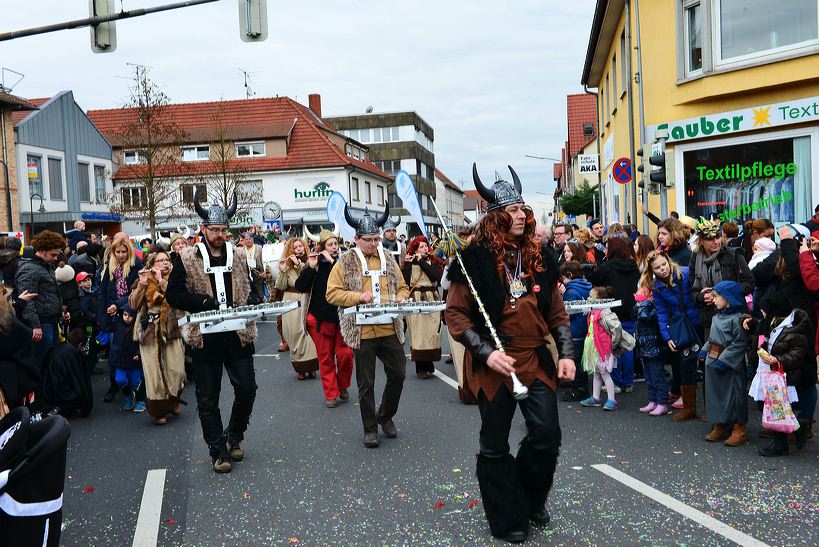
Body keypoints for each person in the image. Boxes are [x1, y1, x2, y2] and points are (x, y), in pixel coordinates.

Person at [445, 164, 575, 543]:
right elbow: (455, 314)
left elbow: (555, 311)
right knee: (495, 443)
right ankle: (507, 516)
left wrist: (566, 352)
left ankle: (530, 498)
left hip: (535, 360)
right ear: (495, 218)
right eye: (513, 211)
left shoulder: (539, 257)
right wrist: (485, 353)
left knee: (546, 435)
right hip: (494, 366)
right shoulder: (472, 262)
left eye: (523, 209)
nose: (521, 215)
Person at [166, 191, 259, 473]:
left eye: (223, 229)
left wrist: (253, 300)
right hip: (205, 335)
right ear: (203, 229)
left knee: (247, 388)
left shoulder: (239, 254)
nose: (219, 234)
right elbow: (174, 294)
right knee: (208, 396)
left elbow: (250, 286)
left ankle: (234, 435)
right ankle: (218, 450)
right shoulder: (185, 257)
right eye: (214, 229)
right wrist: (203, 302)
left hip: (237, 333)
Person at [326, 204, 410, 448]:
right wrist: (357, 297)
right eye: (369, 239)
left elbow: (403, 287)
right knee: (366, 383)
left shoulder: (389, 260)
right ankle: (370, 429)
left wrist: (402, 297)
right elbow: (331, 294)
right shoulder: (345, 261)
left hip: (389, 328)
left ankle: (385, 416)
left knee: (399, 374)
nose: (374, 243)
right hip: (362, 331)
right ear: (357, 238)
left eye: (376, 238)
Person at [689, 218, 755, 422]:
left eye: (718, 236)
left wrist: (725, 294)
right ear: (701, 241)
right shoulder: (695, 259)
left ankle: (737, 422)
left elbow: (749, 283)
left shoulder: (734, 254)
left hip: (733, 317)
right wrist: (702, 297)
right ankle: (715, 414)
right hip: (710, 320)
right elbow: (692, 291)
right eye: (710, 239)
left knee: (733, 367)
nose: (716, 241)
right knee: (711, 365)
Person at [744, 293, 812, 456]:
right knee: (764, 405)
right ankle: (798, 427)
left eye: (764, 311)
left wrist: (777, 358)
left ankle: (781, 443)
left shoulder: (794, 330)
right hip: (766, 372)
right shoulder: (768, 324)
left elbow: (797, 354)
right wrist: (747, 321)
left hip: (781, 375)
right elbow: (758, 331)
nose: (761, 313)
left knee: (777, 408)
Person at [295, 228, 354, 408]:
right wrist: (310, 268)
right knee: (325, 358)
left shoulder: (344, 262)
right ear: (323, 247)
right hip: (320, 318)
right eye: (330, 244)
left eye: (336, 243)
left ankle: (342, 384)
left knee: (346, 355)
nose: (334, 247)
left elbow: (349, 285)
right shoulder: (316, 263)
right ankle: (331, 393)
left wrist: (334, 263)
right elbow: (301, 287)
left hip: (342, 317)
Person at [129, 249, 186, 425]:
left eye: (166, 259)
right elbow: (133, 304)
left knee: (175, 369)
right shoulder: (143, 279)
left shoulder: (177, 279)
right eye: (160, 260)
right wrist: (142, 284)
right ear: (152, 264)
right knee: (154, 373)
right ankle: (158, 411)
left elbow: (179, 300)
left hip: (172, 329)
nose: (165, 262)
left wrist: (162, 281)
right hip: (149, 332)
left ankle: (174, 399)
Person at [643, 250, 701, 420]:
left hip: (698, 322)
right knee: (685, 365)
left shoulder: (684, 273)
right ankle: (689, 407)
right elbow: (661, 314)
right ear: (652, 270)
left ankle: (708, 408)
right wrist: (667, 337)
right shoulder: (657, 287)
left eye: (663, 264)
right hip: (681, 327)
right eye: (657, 267)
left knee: (704, 364)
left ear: (668, 261)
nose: (662, 269)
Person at [586, 237, 640, 391]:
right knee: (627, 344)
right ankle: (628, 382)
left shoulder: (607, 266)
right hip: (630, 307)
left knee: (612, 345)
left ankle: (615, 381)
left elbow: (594, 278)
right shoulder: (634, 265)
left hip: (611, 311)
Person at [700, 281, 749, 446]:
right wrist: (704, 349)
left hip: (728, 365)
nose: (713, 300)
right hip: (713, 361)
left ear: (728, 298)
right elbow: (713, 338)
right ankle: (720, 423)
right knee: (716, 395)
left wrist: (725, 360)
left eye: (716, 296)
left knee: (734, 395)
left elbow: (739, 343)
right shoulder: (716, 317)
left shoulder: (738, 319)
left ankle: (738, 428)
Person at [97, 237, 141, 403]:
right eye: (118, 252)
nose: (121, 255)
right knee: (114, 352)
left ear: (129, 251)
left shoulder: (136, 266)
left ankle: (134, 387)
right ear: (113, 252)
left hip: (131, 312)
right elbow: (102, 292)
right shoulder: (110, 267)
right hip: (113, 314)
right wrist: (102, 317)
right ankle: (115, 385)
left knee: (132, 350)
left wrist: (118, 304)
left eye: (124, 252)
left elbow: (135, 293)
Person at [14, 230, 65, 369]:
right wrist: (35, 325)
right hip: (41, 324)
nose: (56, 258)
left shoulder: (45, 265)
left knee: (50, 362)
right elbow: (27, 301)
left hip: (50, 322)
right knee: (40, 363)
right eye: (53, 254)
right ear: (42, 250)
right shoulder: (30, 269)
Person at [580, 286, 635, 411]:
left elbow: (616, 328)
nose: (588, 298)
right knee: (597, 373)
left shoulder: (605, 312)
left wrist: (612, 344)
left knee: (604, 374)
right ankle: (595, 397)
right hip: (594, 348)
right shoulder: (592, 311)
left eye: (591, 296)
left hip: (602, 349)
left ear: (599, 299)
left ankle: (611, 400)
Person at [275, 236, 319, 380]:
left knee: (305, 333)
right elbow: (281, 286)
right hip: (290, 301)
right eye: (295, 247)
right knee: (293, 334)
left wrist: (299, 264)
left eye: (301, 246)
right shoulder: (286, 264)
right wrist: (282, 270)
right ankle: (300, 368)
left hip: (305, 299)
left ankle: (311, 366)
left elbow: (306, 281)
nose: (298, 249)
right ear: (290, 250)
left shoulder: (310, 261)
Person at [402, 235, 444, 379]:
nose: (425, 248)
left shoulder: (433, 261)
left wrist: (422, 262)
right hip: (417, 298)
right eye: (421, 246)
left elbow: (435, 276)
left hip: (431, 298)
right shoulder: (410, 261)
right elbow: (405, 282)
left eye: (426, 245)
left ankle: (429, 362)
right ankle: (421, 368)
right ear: (415, 249)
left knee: (431, 331)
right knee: (419, 333)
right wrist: (407, 264)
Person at [559, 260, 592, 402]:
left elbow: (567, 312)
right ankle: (576, 384)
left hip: (574, 330)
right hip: (583, 328)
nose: (563, 281)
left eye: (564, 278)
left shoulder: (571, 291)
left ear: (570, 275)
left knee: (576, 361)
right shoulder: (586, 286)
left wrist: (563, 295)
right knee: (579, 360)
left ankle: (579, 389)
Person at [634, 283, 668, 416]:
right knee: (649, 378)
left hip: (655, 349)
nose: (636, 294)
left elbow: (644, 318)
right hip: (644, 349)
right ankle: (652, 401)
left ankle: (662, 403)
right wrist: (641, 305)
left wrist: (645, 304)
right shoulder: (640, 307)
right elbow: (634, 314)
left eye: (640, 292)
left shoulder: (653, 309)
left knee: (657, 377)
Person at [109, 304, 145, 412]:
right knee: (120, 380)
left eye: (130, 315)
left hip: (134, 362)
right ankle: (128, 395)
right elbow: (105, 325)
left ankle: (140, 401)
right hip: (120, 361)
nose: (127, 317)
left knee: (136, 382)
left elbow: (142, 343)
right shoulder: (117, 324)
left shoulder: (138, 327)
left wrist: (138, 354)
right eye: (125, 314)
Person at [242, 232, 267, 303]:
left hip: (258, 274)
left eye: (250, 239)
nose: (248, 240)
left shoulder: (259, 248)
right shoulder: (241, 250)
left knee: (260, 294)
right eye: (246, 239)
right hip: (246, 275)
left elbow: (264, 260)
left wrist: (264, 271)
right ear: (244, 241)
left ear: (253, 239)